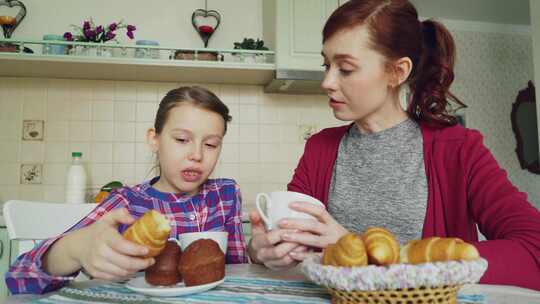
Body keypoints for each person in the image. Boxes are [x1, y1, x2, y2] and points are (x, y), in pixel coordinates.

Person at [247, 0, 540, 291]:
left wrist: (363, 252)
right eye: (326, 64)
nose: (327, 81)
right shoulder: (320, 148)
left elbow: (534, 249)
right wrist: (261, 251)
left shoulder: (459, 148)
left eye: (345, 69)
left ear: (397, 72)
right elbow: (292, 241)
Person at [6, 86, 248, 294]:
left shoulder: (225, 194)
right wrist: (75, 249)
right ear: (154, 139)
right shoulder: (125, 203)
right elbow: (18, 278)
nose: (197, 155)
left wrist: (259, 252)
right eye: (182, 140)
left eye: (210, 144)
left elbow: (241, 272)